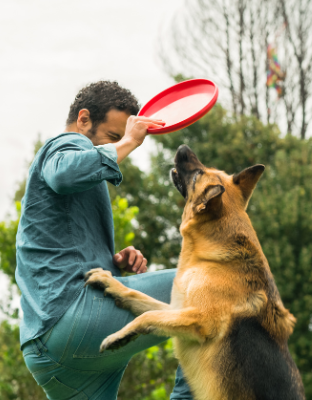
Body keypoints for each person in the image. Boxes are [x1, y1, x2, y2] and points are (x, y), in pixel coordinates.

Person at [15, 81, 193, 399]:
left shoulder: (82, 169)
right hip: (70, 317)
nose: (117, 145)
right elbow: (63, 174)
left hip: (45, 349)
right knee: (202, 287)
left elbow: (66, 245)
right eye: (113, 136)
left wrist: (113, 262)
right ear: (84, 119)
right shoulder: (65, 144)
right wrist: (128, 142)